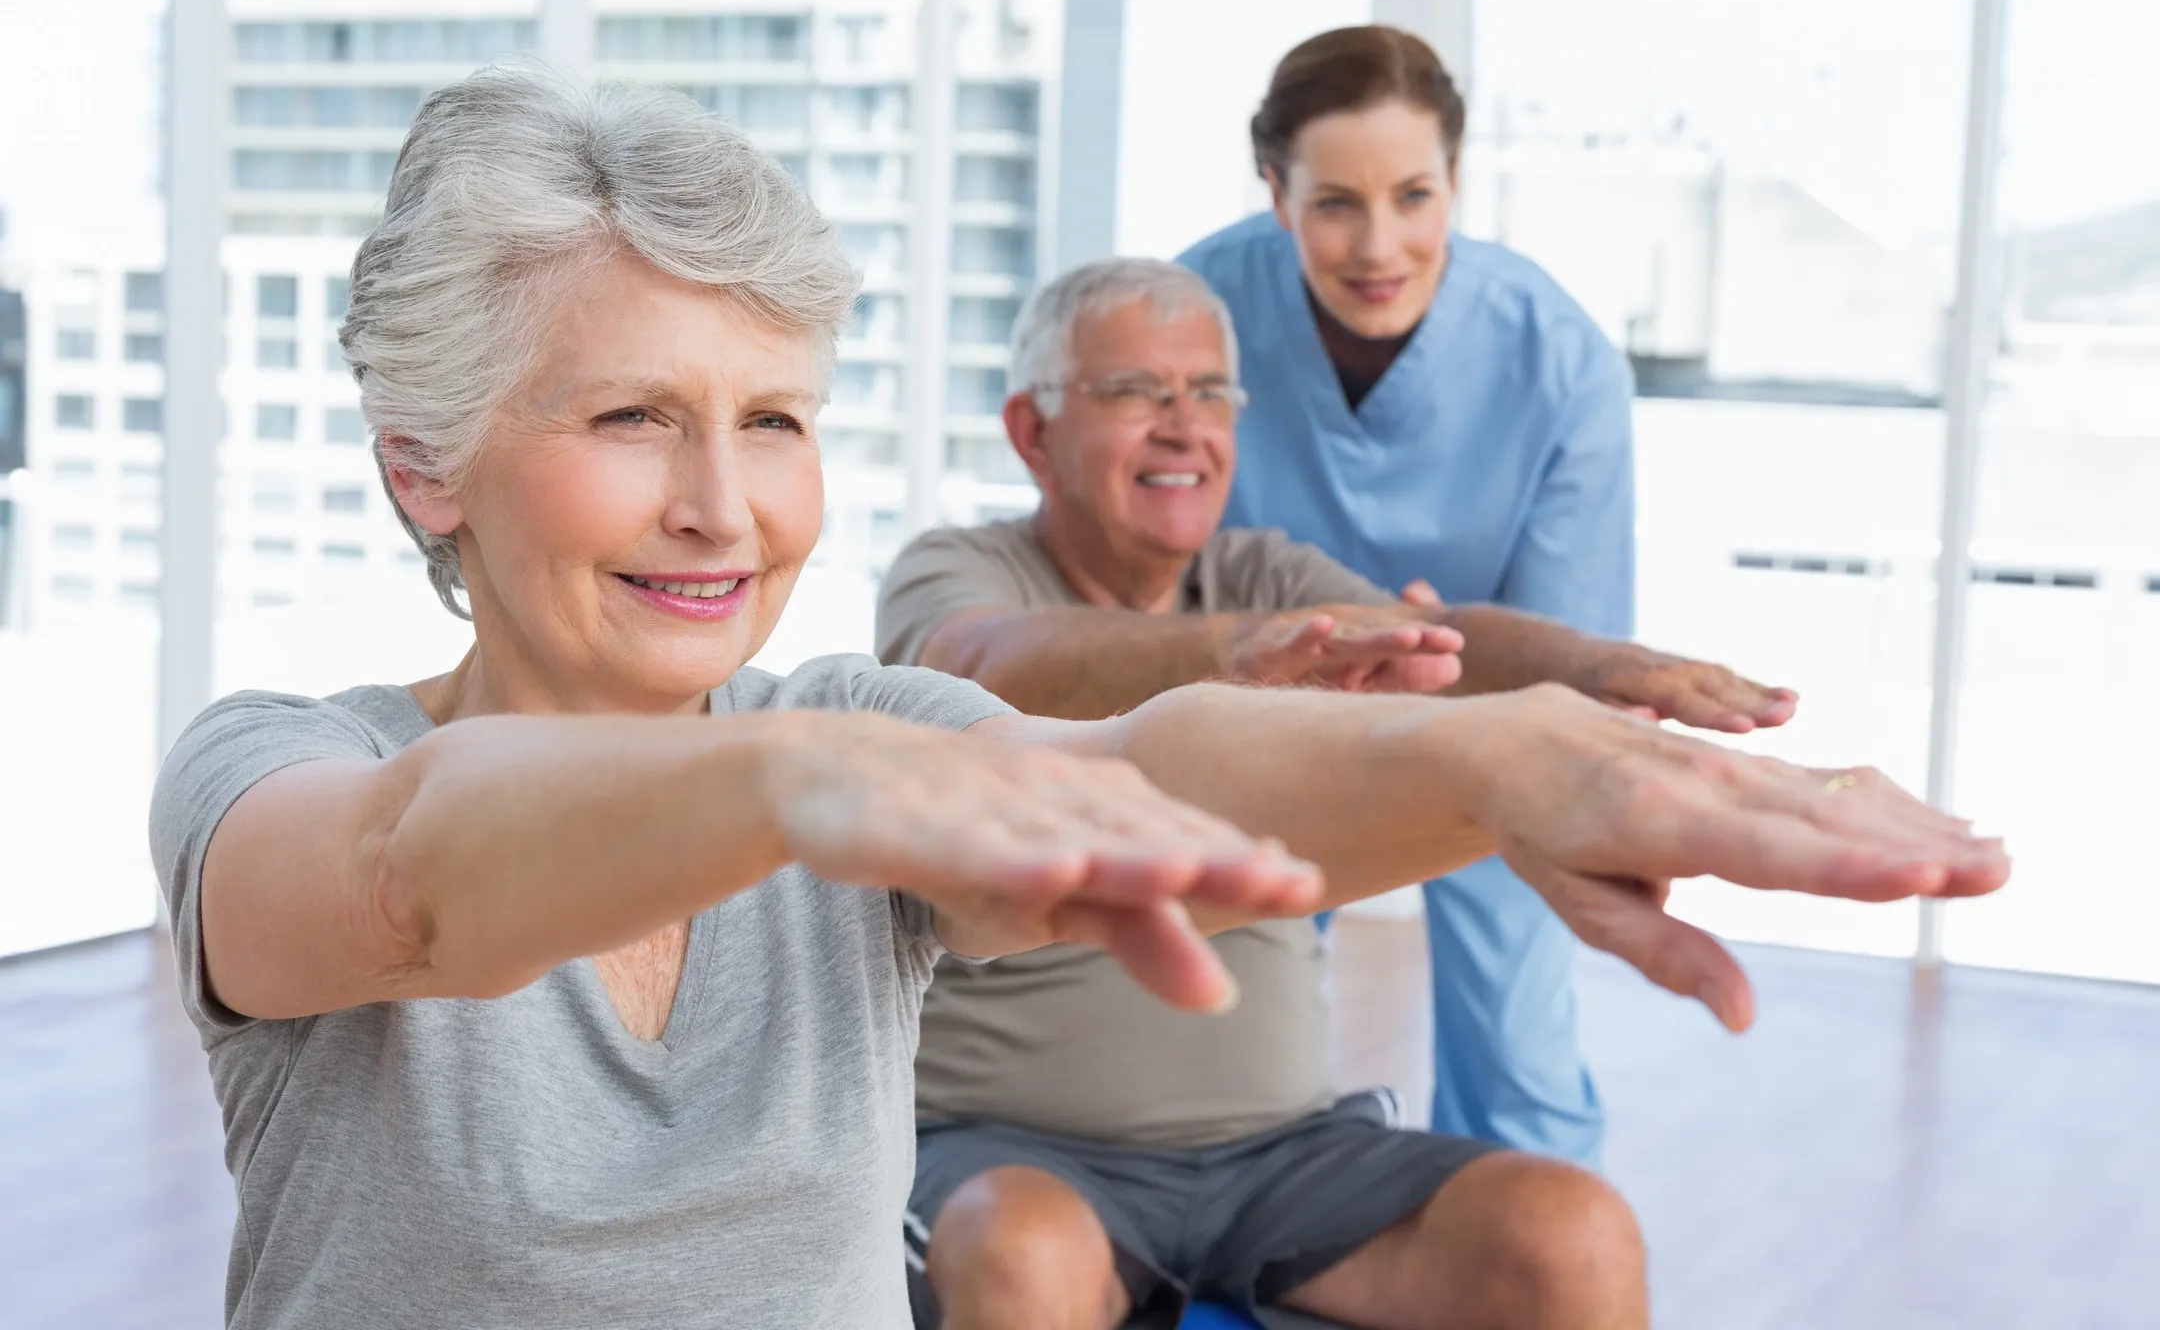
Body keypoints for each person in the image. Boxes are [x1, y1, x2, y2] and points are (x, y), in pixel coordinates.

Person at [148, 65, 2005, 1330]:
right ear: (426, 468)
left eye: (774, 421)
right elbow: (420, 878)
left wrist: (1504, 755)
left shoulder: (856, 738)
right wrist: (795, 783)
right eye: (633, 416)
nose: (725, 503)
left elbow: (1154, 767)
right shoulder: (285, 766)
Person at [875, 258, 1797, 1330]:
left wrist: (1588, 671)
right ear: (1033, 432)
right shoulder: (954, 572)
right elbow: (987, 661)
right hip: (1011, 1147)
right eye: (1137, 392)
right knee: (1022, 1252)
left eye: (1211, 393)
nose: (1186, 427)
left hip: (1280, 1155)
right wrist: (1233, 654)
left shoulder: (1267, 575)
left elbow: (1436, 644)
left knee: (1570, 1231)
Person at [1179, 25, 1644, 1163]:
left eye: (1414, 196)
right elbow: (1147, 576)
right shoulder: (1197, 317)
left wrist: (1443, 676)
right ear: (1275, 193)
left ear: (1455, 185)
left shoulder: (1559, 357)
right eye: (1335, 202)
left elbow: (1571, 655)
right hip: (1259, 723)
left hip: (1487, 717)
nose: (1379, 245)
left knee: (1518, 1042)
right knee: (1217, 1035)